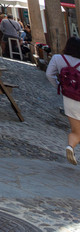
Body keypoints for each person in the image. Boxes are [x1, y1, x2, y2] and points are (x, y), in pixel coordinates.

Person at [46, 36, 80, 165]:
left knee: (76, 131)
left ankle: (70, 146)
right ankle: (71, 147)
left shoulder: (58, 59)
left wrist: (60, 87)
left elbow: (49, 74)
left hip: (69, 100)